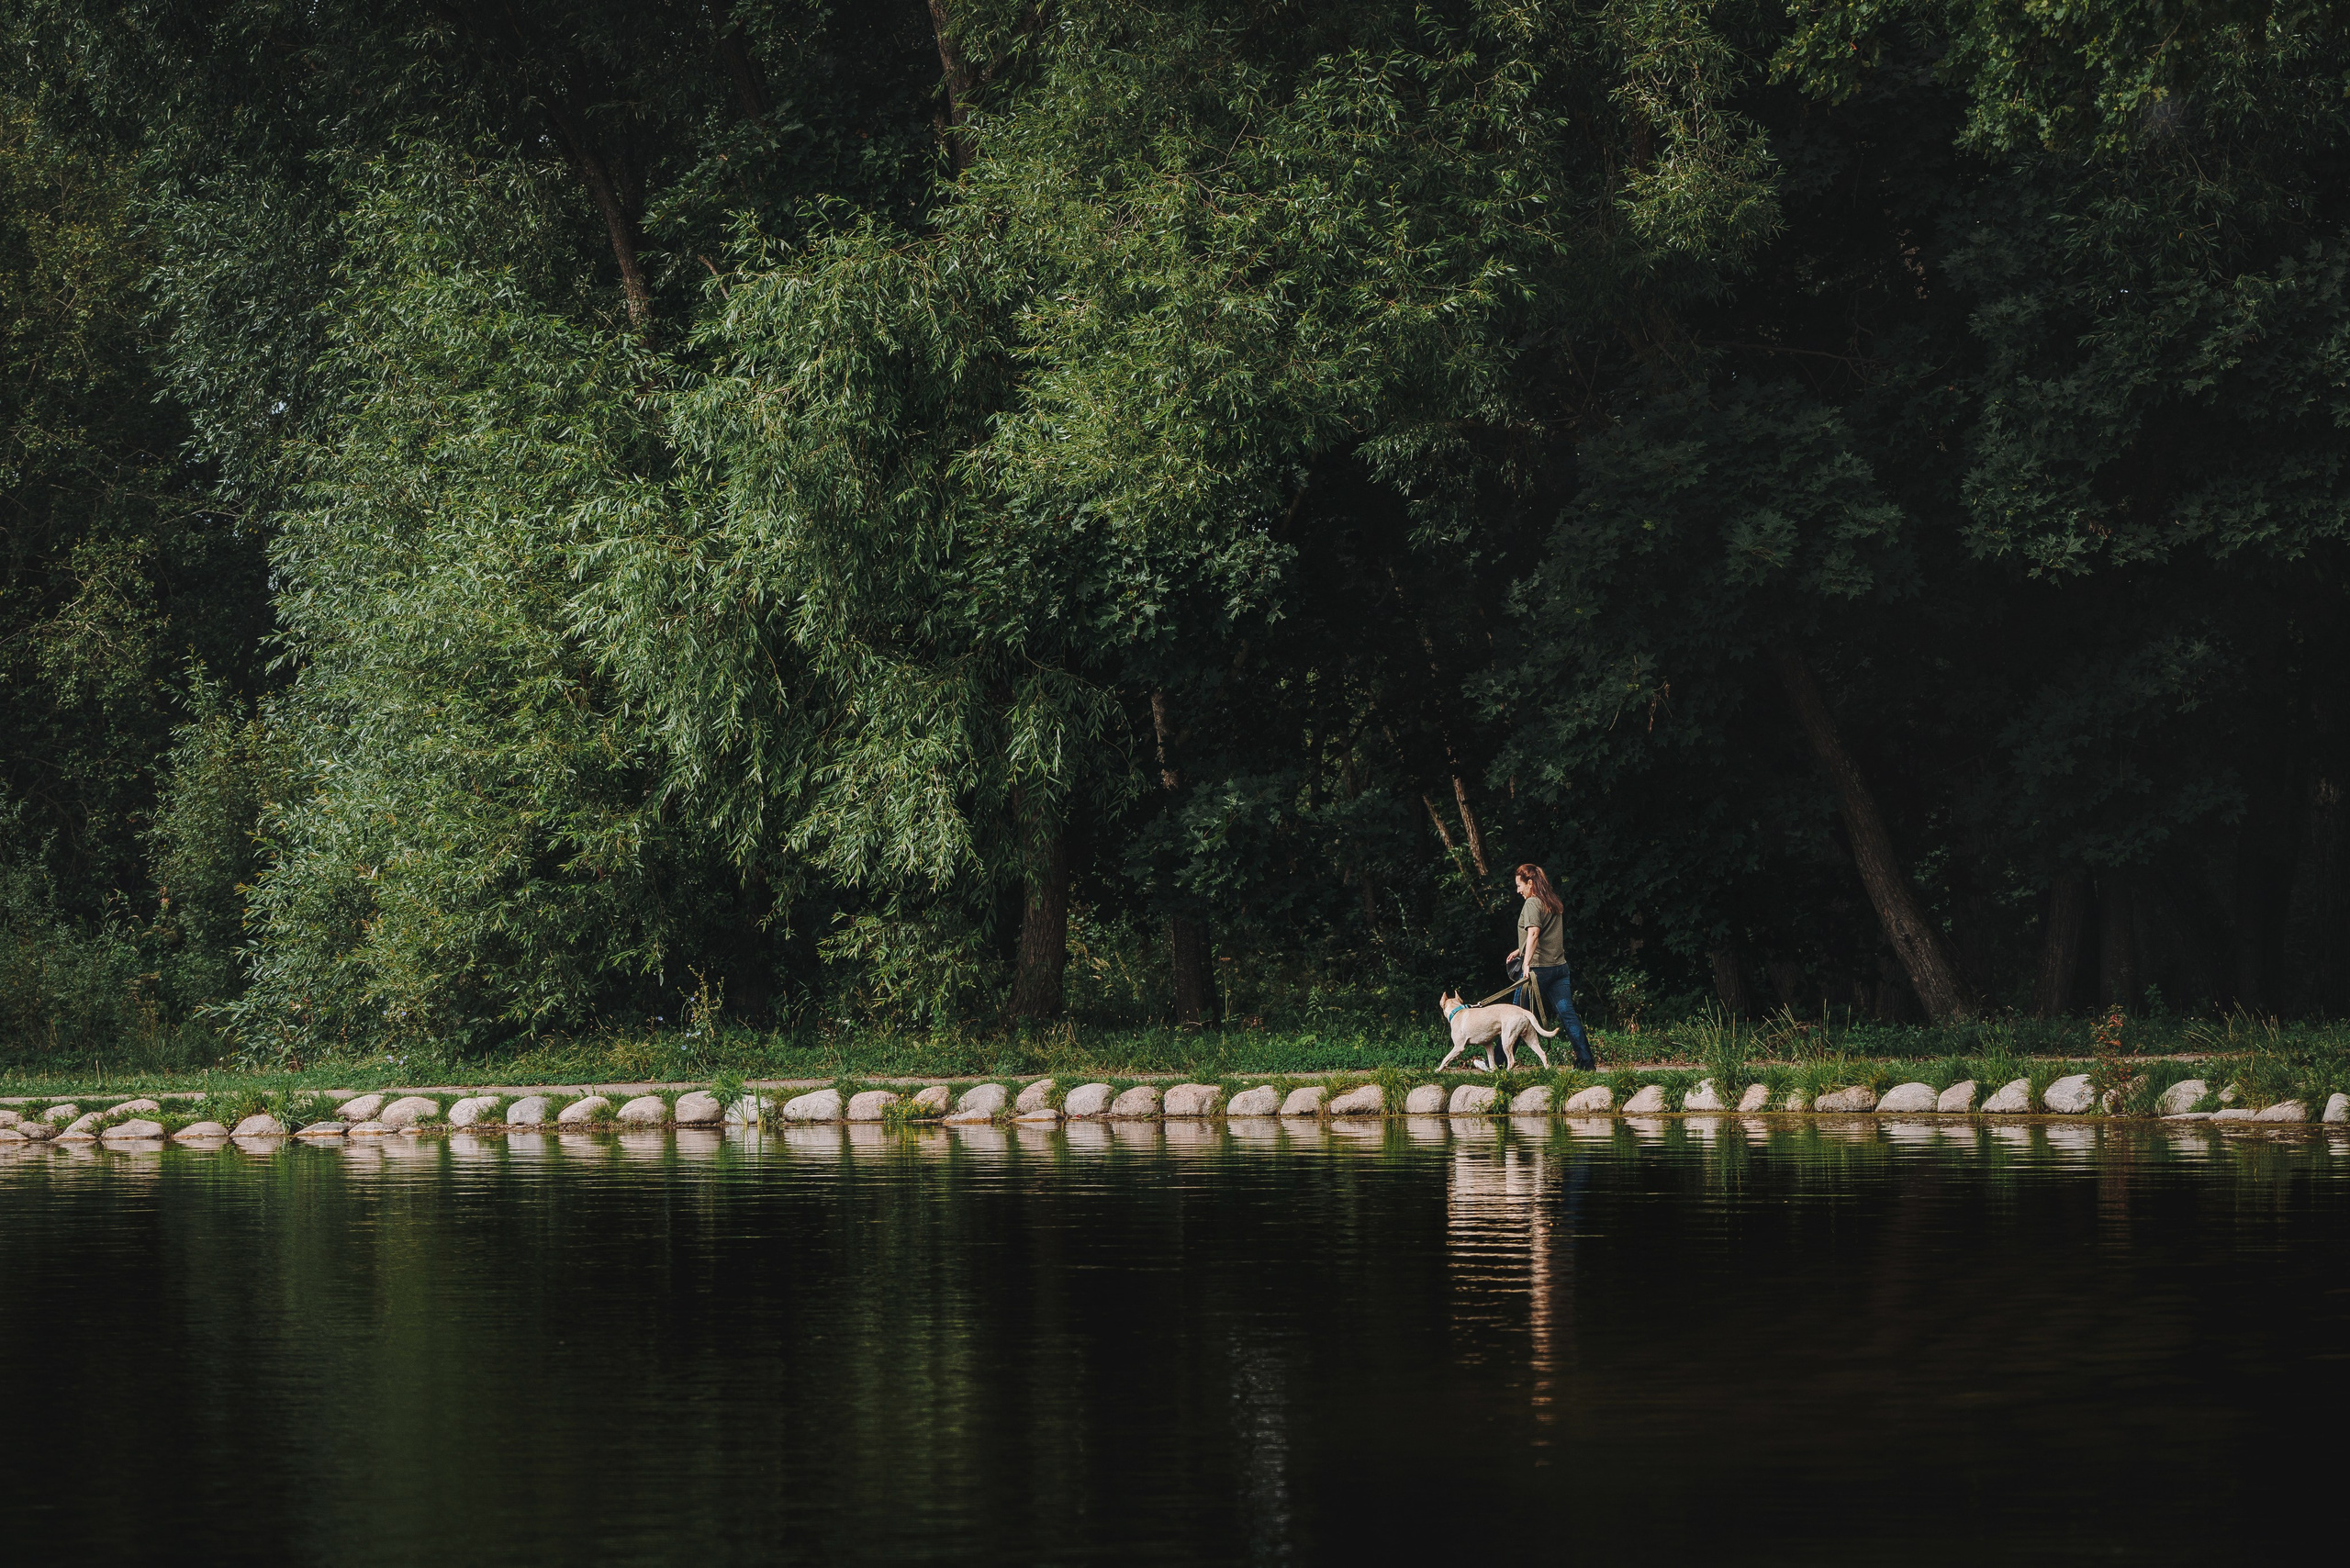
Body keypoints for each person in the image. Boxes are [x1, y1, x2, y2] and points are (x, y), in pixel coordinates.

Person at [1506, 863, 1596, 1070]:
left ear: (1530, 883)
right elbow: (1545, 934)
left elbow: (1535, 933)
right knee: (1568, 1015)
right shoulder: (1552, 901)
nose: (1518, 890)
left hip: (1538, 970)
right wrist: (1520, 950)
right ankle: (1586, 1062)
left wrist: (1526, 964)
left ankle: (1501, 1064)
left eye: (1519, 886)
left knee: (1515, 1016)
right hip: (1559, 967)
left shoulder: (1532, 903)